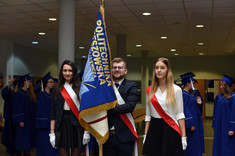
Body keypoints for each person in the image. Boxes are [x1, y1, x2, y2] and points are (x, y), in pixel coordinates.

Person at [142, 57, 186, 156]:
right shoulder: (149, 91)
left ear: (168, 70)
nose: (159, 70)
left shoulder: (176, 90)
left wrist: (184, 136)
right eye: (156, 68)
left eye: (162, 67)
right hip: (154, 129)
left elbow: (180, 114)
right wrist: (145, 134)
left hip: (170, 129)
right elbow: (148, 117)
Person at [50, 60, 90, 156]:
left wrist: (86, 131)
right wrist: (52, 132)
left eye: (70, 70)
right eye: (65, 70)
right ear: (61, 72)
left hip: (77, 125)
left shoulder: (81, 87)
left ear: (74, 72)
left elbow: (85, 111)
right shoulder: (56, 88)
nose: (67, 73)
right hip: (61, 124)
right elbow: (53, 112)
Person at [103, 57, 138, 156]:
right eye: (114, 67)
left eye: (120, 67)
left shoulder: (131, 85)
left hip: (125, 136)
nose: (117, 70)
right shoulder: (105, 87)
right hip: (106, 137)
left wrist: (108, 109)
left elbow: (130, 106)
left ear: (125, 70)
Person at [180, 72, 205, 156]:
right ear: (188, 83)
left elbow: (194, 107)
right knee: (191, 145)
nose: (194, 85)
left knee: (196, 142)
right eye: (193, 83)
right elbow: (185, 110)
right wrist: (191, 124)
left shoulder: (191, 94)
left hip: (196, 121)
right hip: (190, 125)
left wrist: (199, 104)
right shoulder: (183, 94)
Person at [12, 74, 37, 156]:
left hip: (29, 121)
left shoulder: (29, 94)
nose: (31, 83)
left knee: (28, 139)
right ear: (24, 82)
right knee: (22, 139)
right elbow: (17, 108)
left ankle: (27, 153)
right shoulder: (18, 94)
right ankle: (22, 154)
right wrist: (20, 120)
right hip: (22, 121)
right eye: (29, 81)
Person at [212, 74, 235, 156]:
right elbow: (215, 111)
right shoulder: (219, 97)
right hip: (219, 125)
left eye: (222, 85)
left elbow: (234, 113)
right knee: (218, 144)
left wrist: (232, 128)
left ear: (227, 86)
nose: (221, 87)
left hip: (227, 126)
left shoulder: (233, 98)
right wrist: (214, 124)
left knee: (227, 145)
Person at [35, 72, 58, 156]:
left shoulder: (53, 95)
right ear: (46, 84)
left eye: (53, 82)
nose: (52, 84)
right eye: (50, 82)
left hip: (52, 124)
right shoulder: (41, 95)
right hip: (44, 125)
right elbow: (40, 111)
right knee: (44, 145)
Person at [1, 79, 18, 156]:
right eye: (13, 86)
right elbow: (3, 93)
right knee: (9, 134)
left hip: (15, 118)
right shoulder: (8, 94)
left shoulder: (18, 94)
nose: (14, 88)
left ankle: (15, 148)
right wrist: (9, 85)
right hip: (9, 118)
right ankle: (10, 148)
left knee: (15, 134)